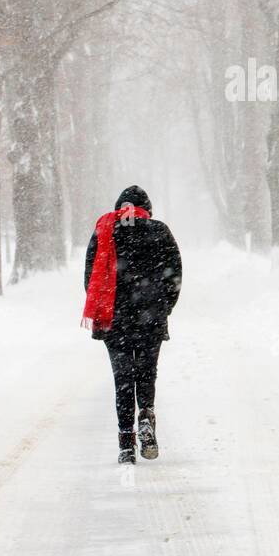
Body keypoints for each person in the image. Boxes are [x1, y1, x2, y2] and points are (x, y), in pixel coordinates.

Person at [82, 185, 182, 464]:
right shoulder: (159, 230)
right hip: (151, 317)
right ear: (147, 209)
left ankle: (126, 442)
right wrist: (164, 307)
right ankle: (146, 416)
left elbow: (90, 276)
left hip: (115, 319)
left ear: (118, 207)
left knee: (123, 379)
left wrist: (103, 306)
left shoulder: (105, 230)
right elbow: (174, 274)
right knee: (147, 372)